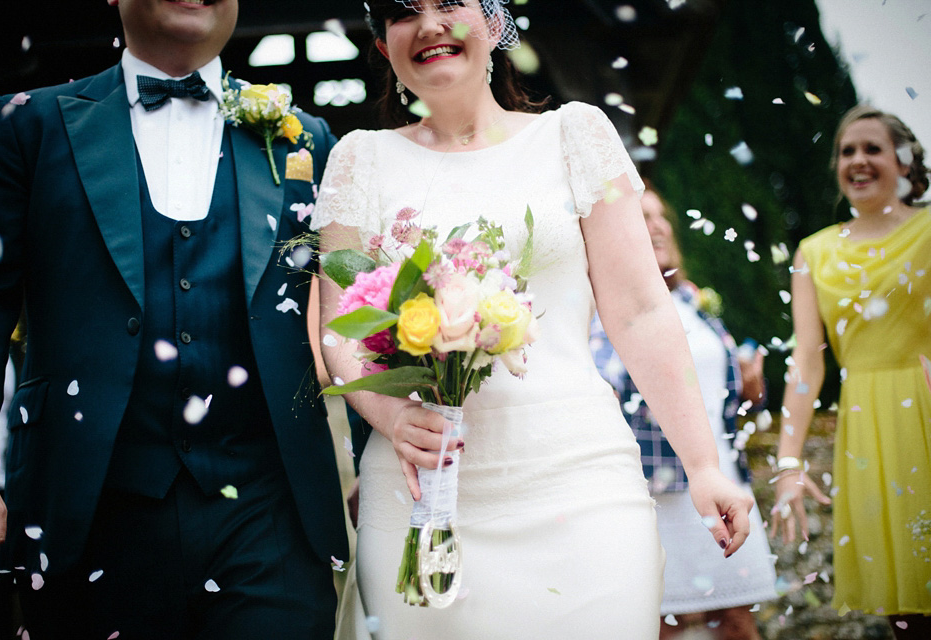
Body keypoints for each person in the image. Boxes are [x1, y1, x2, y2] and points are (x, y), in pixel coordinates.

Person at [311, 1, 754, 638]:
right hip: (423, 485)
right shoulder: (360, 159)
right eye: (405, 12)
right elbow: (338, 324)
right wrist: (390, 415)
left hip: (577, 477)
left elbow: (641, 311)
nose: (430, 24)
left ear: (493, 23)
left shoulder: (575, 135)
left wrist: (704, 464)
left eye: (450, 3)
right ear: (384, 47)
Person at [0, 0, 348, 637]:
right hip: (84, 511)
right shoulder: (29, 126)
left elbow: (357, 313)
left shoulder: (306, 141)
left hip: (269, 513)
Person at [590, 182, 778, 639]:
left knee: (737, 621)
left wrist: (750, 385)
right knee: (659, 626)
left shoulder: (694, 302)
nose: (654, 226)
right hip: (655, 496)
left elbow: (718, 392)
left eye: (660, 217)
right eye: (641, 216)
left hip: (720, 482)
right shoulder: (600, 311)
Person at [771, 104, 931, 639]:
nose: (858, 161)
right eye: (847, 151)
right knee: (904, 608)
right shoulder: (813, 253)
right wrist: (789, 463)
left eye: (872, 149)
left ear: (904, 162)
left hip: (926, 403)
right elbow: (807, 366)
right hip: (869, 426)